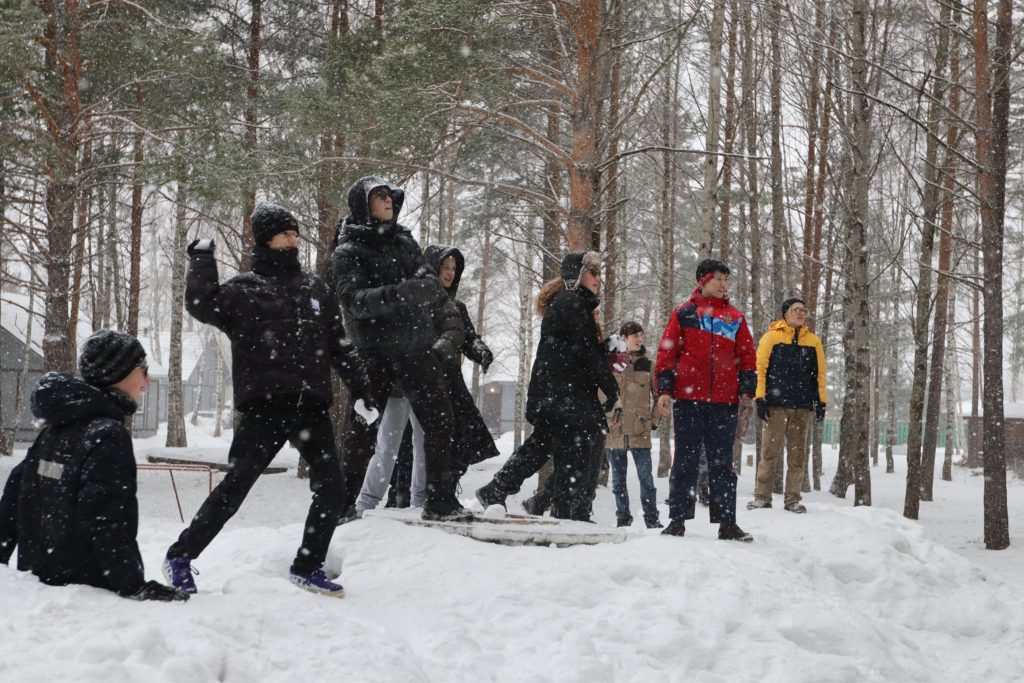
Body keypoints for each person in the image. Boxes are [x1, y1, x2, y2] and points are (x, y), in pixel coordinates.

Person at [163, 202, 371, 598]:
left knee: (332, 487)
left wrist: (362, 389)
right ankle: (180, 556)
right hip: (264, 407)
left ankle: (307, 565)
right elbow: (200, 304)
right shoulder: (243, 291)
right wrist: (203, 259)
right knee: (235, 488)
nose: (293, 238)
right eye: (285, 232)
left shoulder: (315, 289)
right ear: (265, 238)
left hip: (310, 406)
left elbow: (339, 345)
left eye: (295, 232)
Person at [0, 331, 188, 602]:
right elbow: (104, 520)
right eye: (142, 369)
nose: (147, 379)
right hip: (88, 595)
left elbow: (15, 495)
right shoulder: (107, 434)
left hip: (41, 588)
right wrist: (133, 586)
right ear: (118, 372)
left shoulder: (55, 428)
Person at [332, 176, 470, 521]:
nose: (388, 201)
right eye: (380, 196)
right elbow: (353, 301)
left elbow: (426, 279)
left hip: (416, 347)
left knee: (441, 421)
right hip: (374, 351)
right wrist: (399, 294)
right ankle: (344, 503)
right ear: (364, 205)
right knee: (362, 429)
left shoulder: (405, 240)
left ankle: (439, 500)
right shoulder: (347, 251)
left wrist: (419, 288)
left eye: (389, 196)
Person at [476, 251, 618, 521]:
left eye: (599, 273)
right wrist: (611, 388)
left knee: (542, 445)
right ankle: (564, 511)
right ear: (577, 275)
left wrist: (604, 351)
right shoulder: (572, 303)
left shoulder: (570, 303)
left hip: (557, 392)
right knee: (568, 450)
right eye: (593, 272)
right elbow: (585, 353)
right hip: (563, 394)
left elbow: (581, 351)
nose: (599, 279)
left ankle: (497, 489)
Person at [353, 254, 466, 517]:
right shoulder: (405, 290)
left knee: (427, 440)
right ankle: (364, 504)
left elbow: (456, 329)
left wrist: (434, 356)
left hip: (428, 381)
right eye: (445, 268)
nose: (449, 273)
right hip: (397, 384)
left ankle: (421, 500)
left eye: (453, 269)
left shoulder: (441, 300)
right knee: (387, 445)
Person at [655, 258, 756, 541]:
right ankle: (677, 520)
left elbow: (748, 356)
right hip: (688, 400)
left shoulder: (735, 317)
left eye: (726, 279)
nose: (724, 284)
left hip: (725, 402)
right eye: (718, 279)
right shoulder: (685, 313)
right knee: (684, 460)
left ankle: (727, 523)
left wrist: (747, 391)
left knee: (722, 463)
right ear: (703, 281)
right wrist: (664, 389)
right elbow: (667, 353)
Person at [747, 297, 827, 514]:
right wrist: (760, 397)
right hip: (776, 406)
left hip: (802, 407)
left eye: (804, 309)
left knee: (797, 455)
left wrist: (821, 401)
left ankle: (792, 499)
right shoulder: (771, 337)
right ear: (786, 314)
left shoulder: (813, 342)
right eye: (796, 310)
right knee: (769, 452)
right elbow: (760, 368)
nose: (801, 313)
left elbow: (820, 374)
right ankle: (762, 496)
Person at [606, 321, 666, 529]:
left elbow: (660, 397)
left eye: (641, 335)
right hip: (615, 431)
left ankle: (651, 518)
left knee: (646, 479)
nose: (639, 340)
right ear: (623, 338)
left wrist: (652, 422)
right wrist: (606, 418)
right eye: (635, 336)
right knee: (618, 480)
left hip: (640, 431)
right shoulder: (612, 364)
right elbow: (602, 394)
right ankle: (623, 517)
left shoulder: (649, 365)